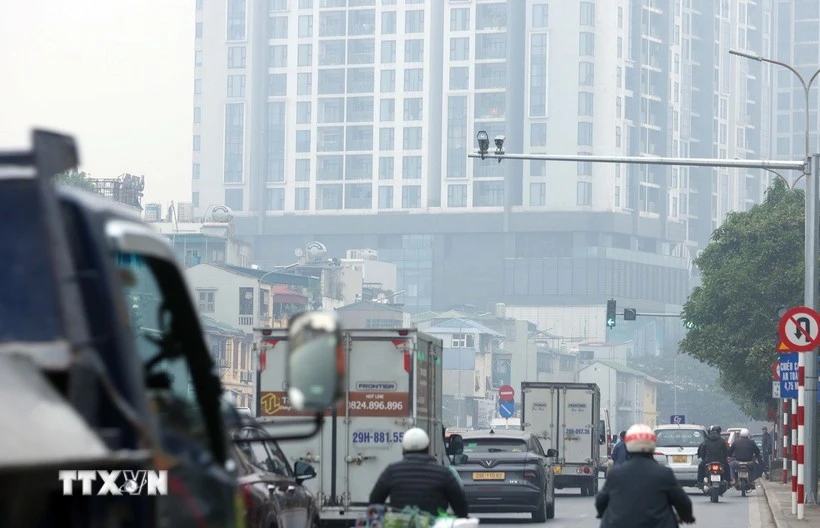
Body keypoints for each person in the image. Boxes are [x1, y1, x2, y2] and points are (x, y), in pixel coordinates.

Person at [595, 424, 695, 527]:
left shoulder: (616, 474)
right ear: (652, 446)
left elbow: (601, 501)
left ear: (628, 446)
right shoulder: (664, 474)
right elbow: (683, 502)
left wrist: (601, 513)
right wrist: (687, 517)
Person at [369, 427, 468, 517]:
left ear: (403, 449)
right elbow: (460, 504)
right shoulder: (443, 473)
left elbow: (374, 501)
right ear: (428, 448)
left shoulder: (392, 471)